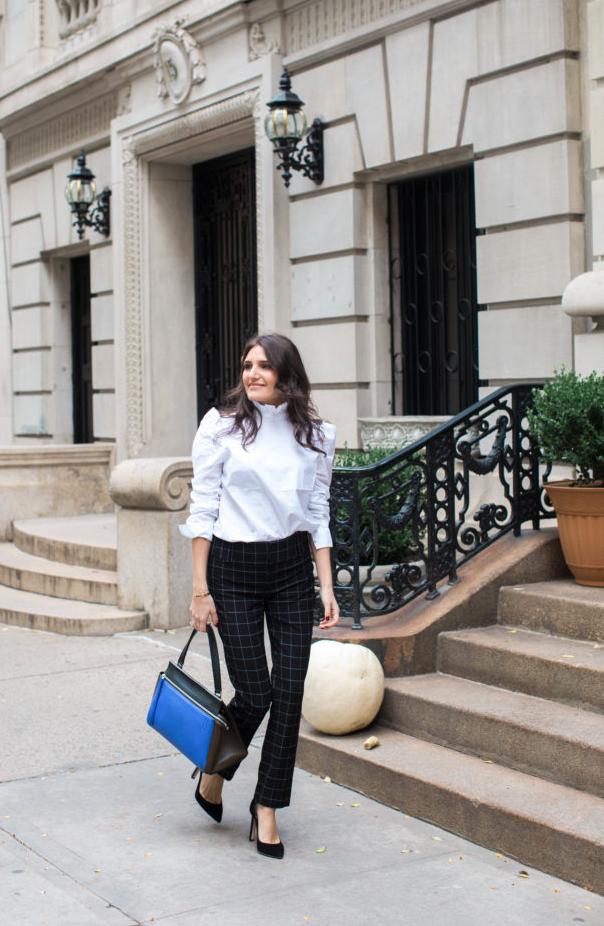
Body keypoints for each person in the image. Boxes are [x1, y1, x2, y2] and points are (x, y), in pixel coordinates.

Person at [179, 332, 339, 860]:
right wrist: (200, 589)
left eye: (264, 366)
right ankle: (215, 770)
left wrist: (326, 584)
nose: (251, 374)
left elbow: (318, 512)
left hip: (292, 569)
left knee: (290, 695)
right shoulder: (220, 428)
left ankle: (266, 807)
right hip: (233, 569)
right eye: (247, 365)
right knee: (255, 695)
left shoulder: (316, 435)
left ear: (287, 374)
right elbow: (202, 510)